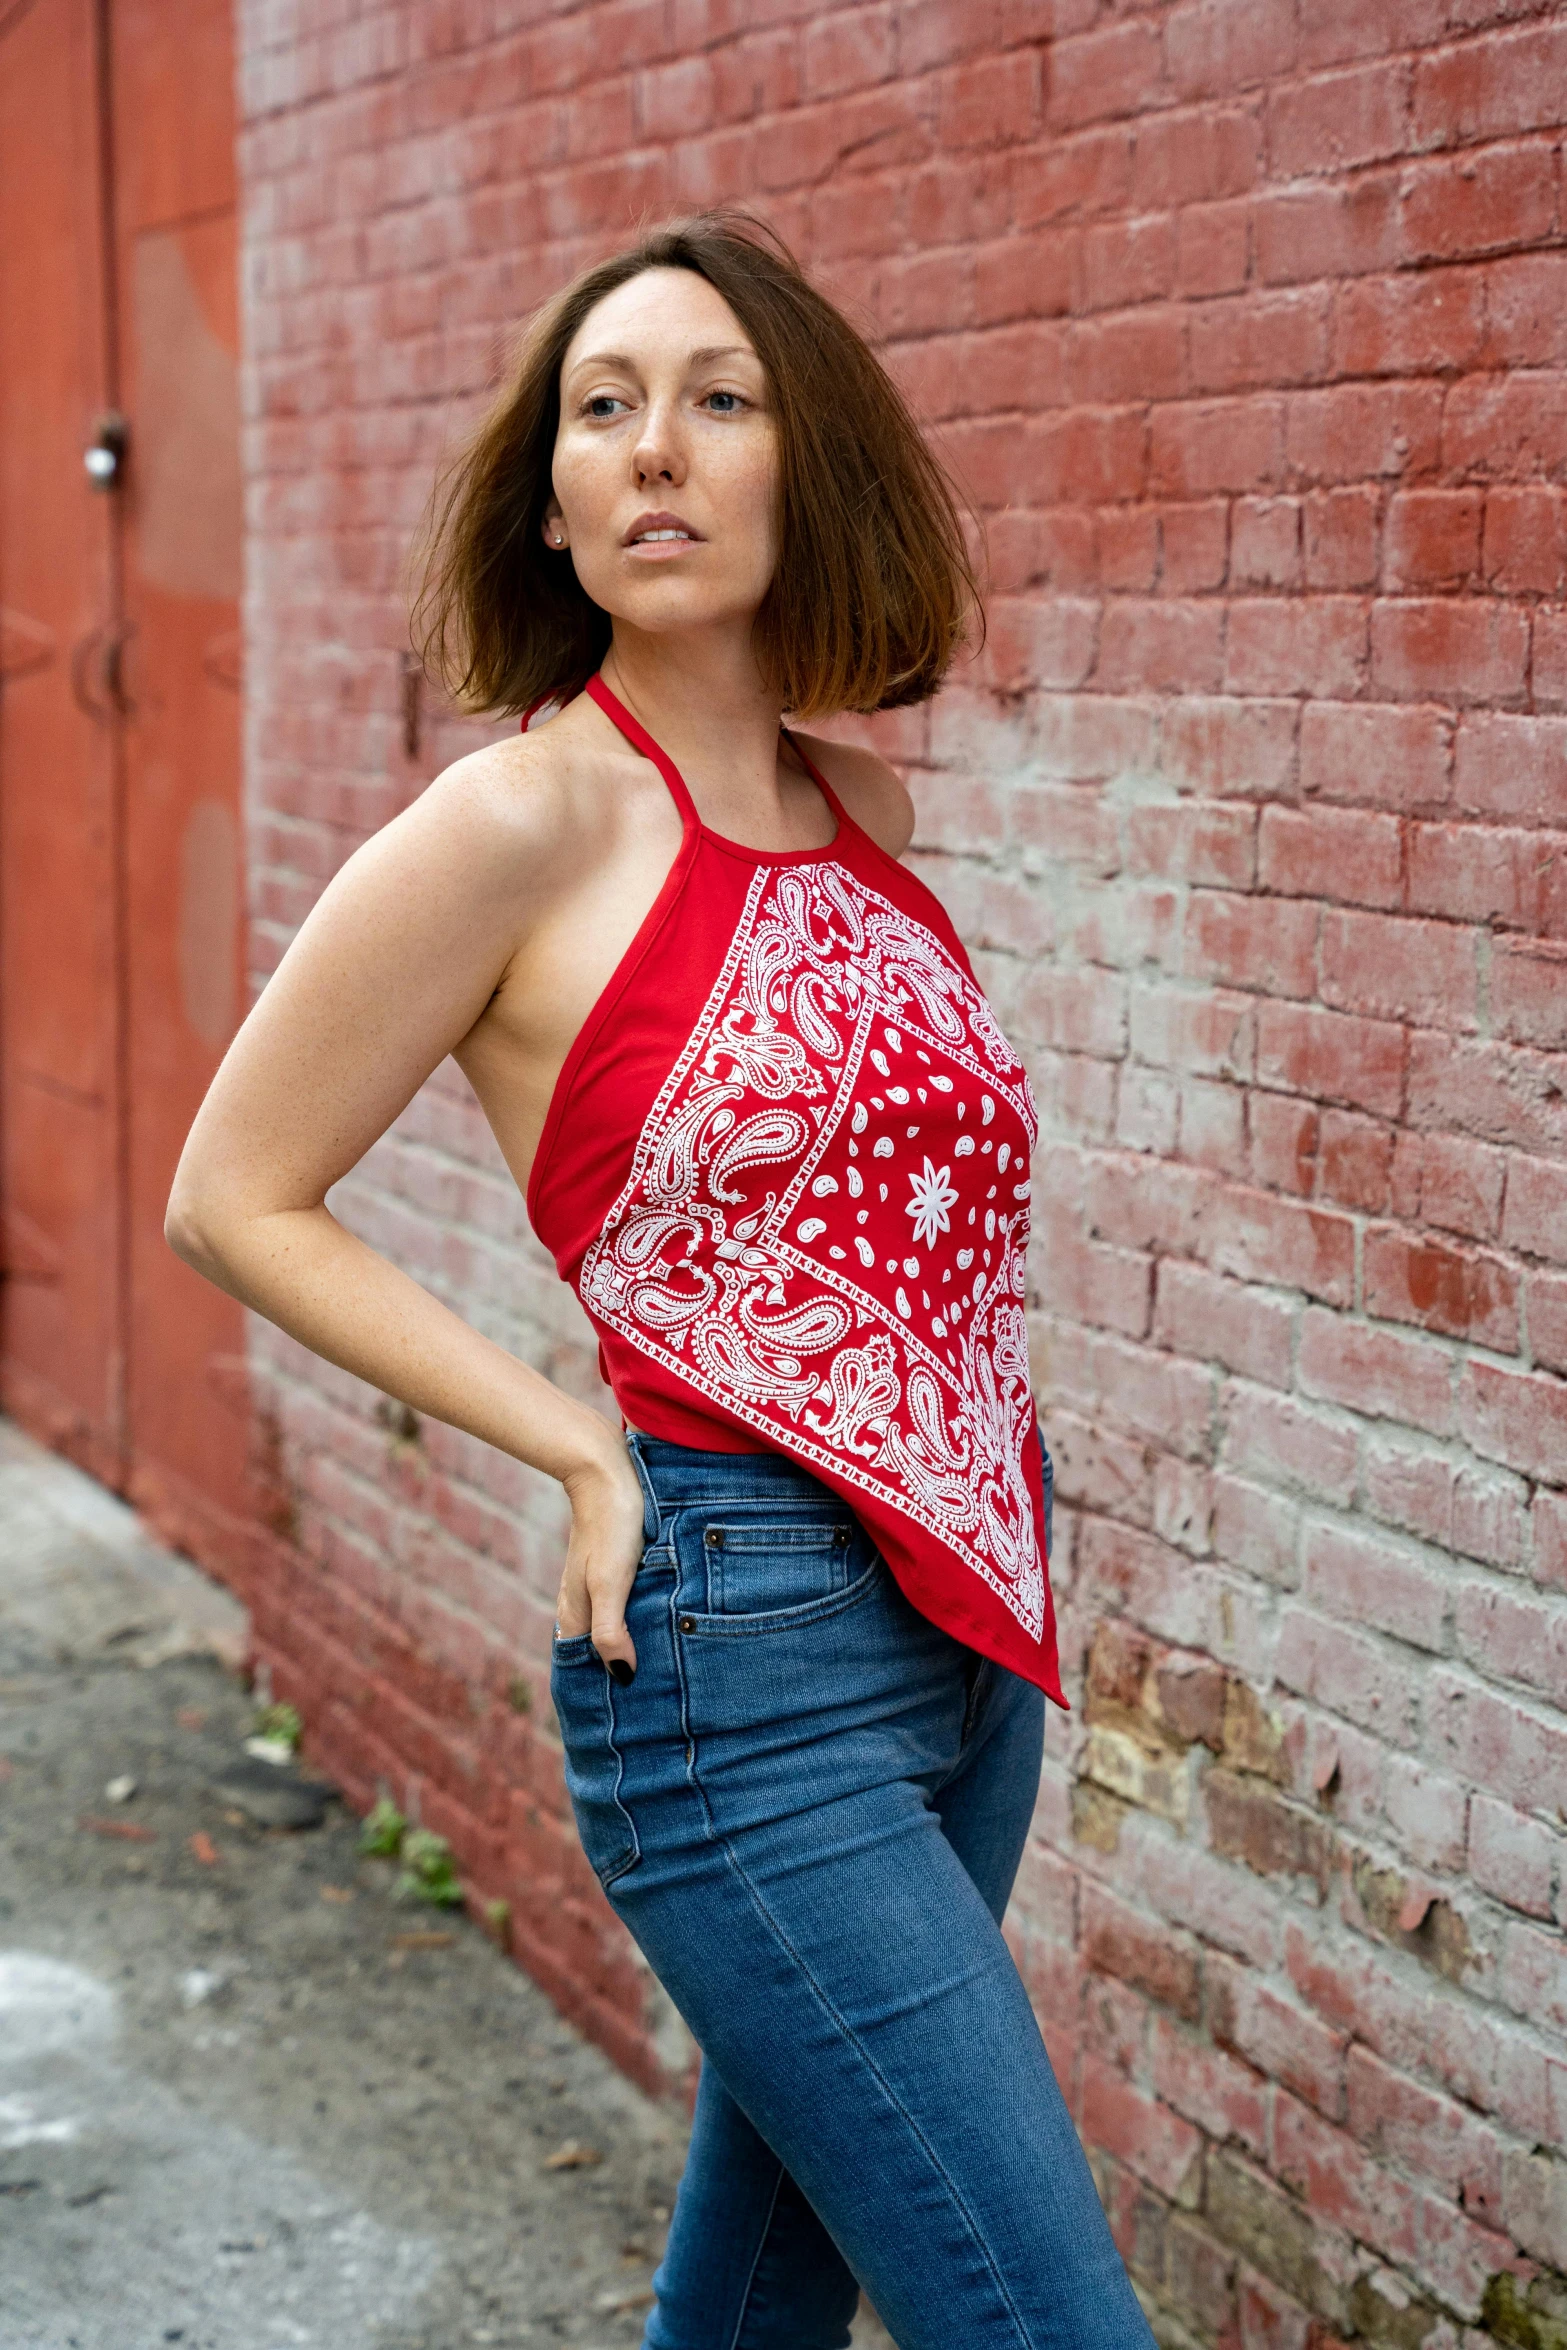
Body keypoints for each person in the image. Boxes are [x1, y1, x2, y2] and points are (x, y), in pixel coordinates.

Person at [167, 210, 1156, 2350]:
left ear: (812, 467)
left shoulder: (856, 799)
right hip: (738, 1654)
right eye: (602, 411)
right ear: (551, 496)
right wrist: (571, 1445)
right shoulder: (516, 822)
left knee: (767, 2291)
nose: (655, 448)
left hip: (975, 1631)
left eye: (718, 399)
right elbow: (236, 1191)